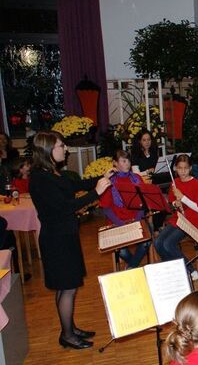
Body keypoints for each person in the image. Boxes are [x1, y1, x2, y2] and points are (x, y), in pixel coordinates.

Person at [30, 130, 112, 349]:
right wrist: (96, 192)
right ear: (48, 150)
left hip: (64, 235)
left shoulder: (54, 173)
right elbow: (65, 207)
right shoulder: (40, 179)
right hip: (56, 240)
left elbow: (76, 186)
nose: (65, 149)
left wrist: (103, 178)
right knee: (67, 287)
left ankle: (69, 328)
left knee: (67, 286)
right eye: (61, 146)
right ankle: (67, 335)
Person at [154, 154, 198, 280]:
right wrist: (175, 203)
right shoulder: (175, 183)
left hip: (193, 219)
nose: (183, 171)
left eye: (186, 168)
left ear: (190, 168)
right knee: (158, 242)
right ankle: (173, 268)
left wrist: (183, 198)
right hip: (179, 217)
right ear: (175, 169)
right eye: (180, 168)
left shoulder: (196, 184)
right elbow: (171, 201)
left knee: (168, 244)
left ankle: (190, 269)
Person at [99, 150, 149, 268]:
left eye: (128, 161)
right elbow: (106, 209)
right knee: (122, 251)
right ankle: (135, 266)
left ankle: (131, 267)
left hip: (136, 220)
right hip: (117, 223)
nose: (127, 164)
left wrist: (137, 220)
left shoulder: (136, 178)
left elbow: (143, 203)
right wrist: (121, 224)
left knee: (146, 242)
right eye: (123, 161)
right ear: (115, 163)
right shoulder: (109, 182)